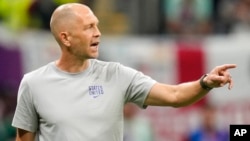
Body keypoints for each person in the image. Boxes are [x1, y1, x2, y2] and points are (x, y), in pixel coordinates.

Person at [11, 3, 236, 141]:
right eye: (89, 27)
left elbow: (175, 96)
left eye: (97, 25)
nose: (98, 33)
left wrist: (205, 82)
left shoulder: (116, 75)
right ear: (66, 38)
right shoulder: (33, 84)